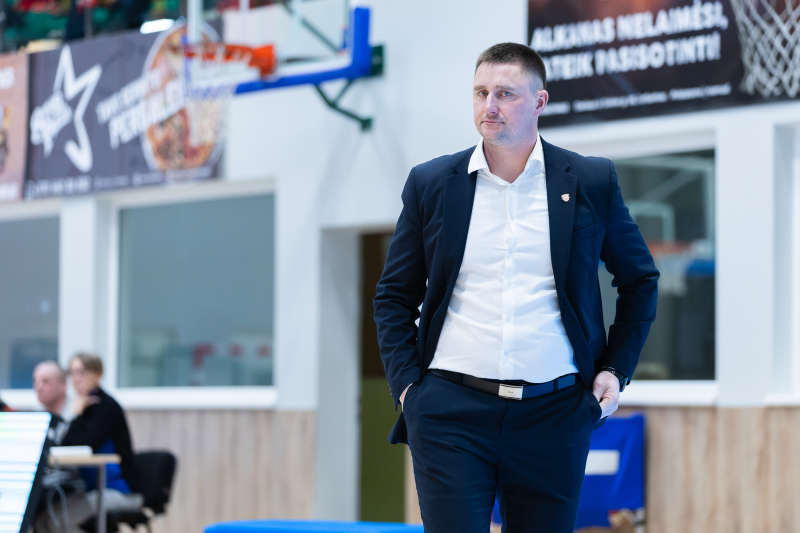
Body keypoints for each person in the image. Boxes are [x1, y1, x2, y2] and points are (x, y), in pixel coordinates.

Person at [374, 43, 659, 533]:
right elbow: (394, 296)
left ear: (540, 101)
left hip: (556, 415)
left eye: (505, 93)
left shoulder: (590, 180)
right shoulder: (432, 183)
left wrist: (615, 369)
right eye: (481, 92)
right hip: (449, 412)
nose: (490, 105)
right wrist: (408, 389)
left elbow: (639, 279)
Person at [35, 353, 143, 533]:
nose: (76, 378)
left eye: (81, 372)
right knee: (42, 521)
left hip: (122, 490)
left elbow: (84, 446)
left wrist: (77, 415)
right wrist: (78, 414)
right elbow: (65, 445)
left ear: (98, 374)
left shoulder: (107, 407)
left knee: (55, 522)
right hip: (95, 490)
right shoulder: (85, 406)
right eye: (72, 373)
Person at [33, 360, 72, 444]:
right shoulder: (36, 417)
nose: (39, 387)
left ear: (63, 384)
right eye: (35, 381)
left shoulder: (77, 415)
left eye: (46, 381)